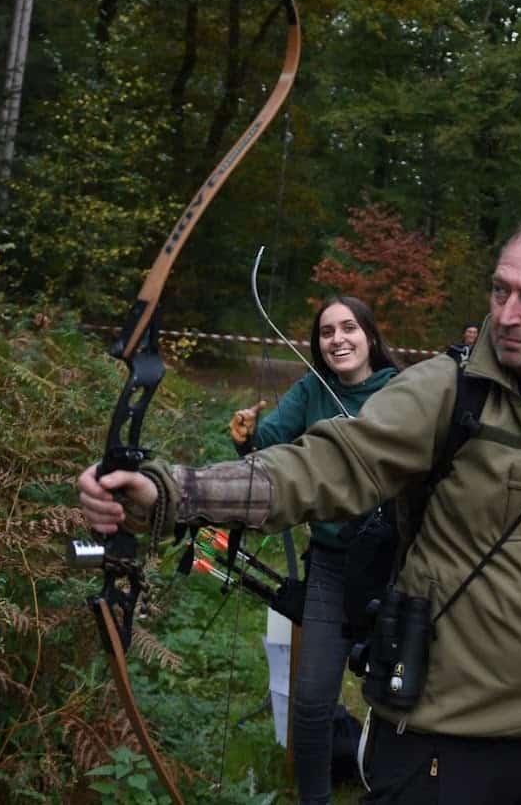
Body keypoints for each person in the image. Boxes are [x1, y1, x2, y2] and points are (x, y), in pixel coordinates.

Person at [78, 213, 521, 805]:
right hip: (444, 749)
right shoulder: (445, 392)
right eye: (499, 291)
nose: (506, 314)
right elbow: (324, 465)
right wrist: (174, 492)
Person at [228, 296, 397, 805]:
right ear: (318, 345)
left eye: (349, 328)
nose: (338, 339)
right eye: (327, 332)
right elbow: (270, 447)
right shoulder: (311, 389)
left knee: (398, 696)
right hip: (330, 566)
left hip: (396, 568)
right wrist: (248, 436)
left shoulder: (400, 391)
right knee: (311, 702)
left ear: (370, 335)